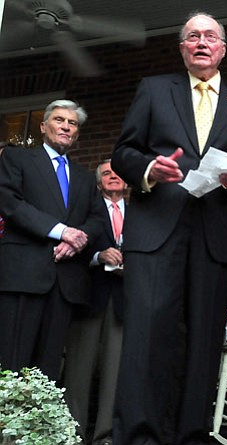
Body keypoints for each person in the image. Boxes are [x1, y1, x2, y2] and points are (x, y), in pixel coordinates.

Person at [110, 11, 227, 445]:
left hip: (213, 235)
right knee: (147, 340)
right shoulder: (154, 90)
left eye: (210, 37)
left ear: (222, 49)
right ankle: (140, 436)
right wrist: (148, 170)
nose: (201, 42)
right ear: (181, 48)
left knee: (202, 342)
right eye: (192, 36)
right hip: (156, 231)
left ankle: (193, 436)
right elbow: (123, 152)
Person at [0, 100, 105, 380]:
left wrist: (77, 240)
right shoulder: (17, 159)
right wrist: (61, 231)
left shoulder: (85, 177)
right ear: (44, 126)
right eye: (59, 120)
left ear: (77, 135)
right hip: (24, 275)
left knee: (48, 367)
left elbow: (97, 219)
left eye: (72, 124)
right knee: (13, 362)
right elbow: (10, 203)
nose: (66, 126)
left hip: (65, 282)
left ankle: (42, 425)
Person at [64, 160, 126, 445]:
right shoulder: (86, 208)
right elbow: (75, 246)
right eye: (106, 173)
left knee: (115, 372)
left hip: (124, 299)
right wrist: (98, 256)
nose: (113, 176)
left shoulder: (140, 212)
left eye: (118, 173)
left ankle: (105, 435)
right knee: (79, 368)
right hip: (89, 294)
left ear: (127, 181)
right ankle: (72, 433)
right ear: (98, 182)